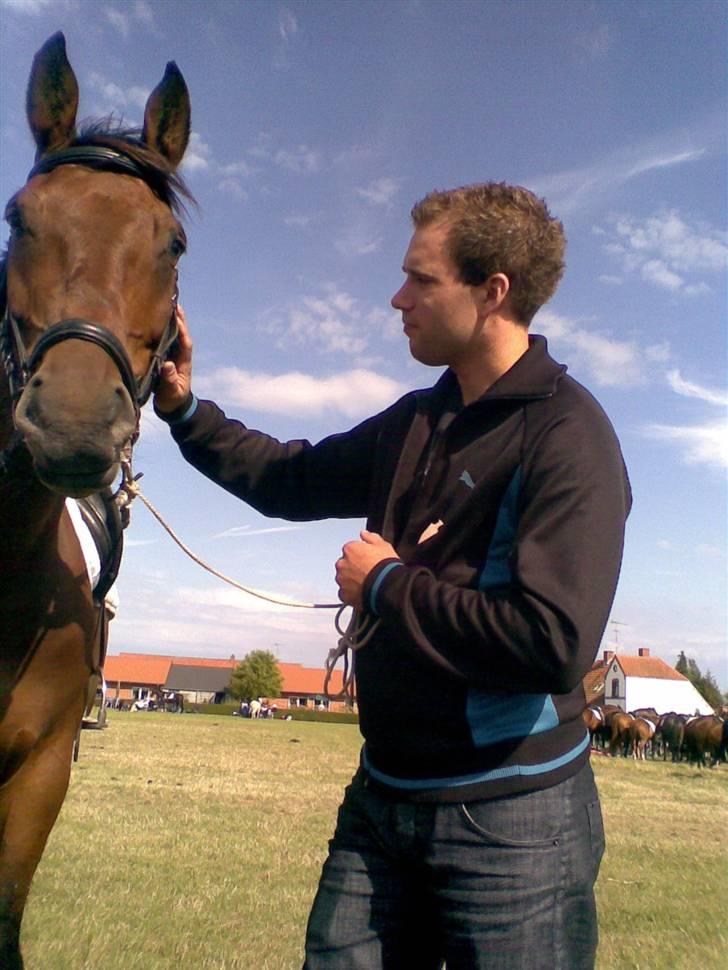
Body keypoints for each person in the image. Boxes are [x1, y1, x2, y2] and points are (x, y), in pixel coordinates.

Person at [153, 182, 631, 969]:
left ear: (493, 291)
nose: (395, 297)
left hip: (513, 823)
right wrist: (182, 409)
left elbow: (552, 643)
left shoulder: (569, 434)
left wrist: (385, 587)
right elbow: (289, 478)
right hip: (383, 800)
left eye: (421, 279)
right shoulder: (416, 419)